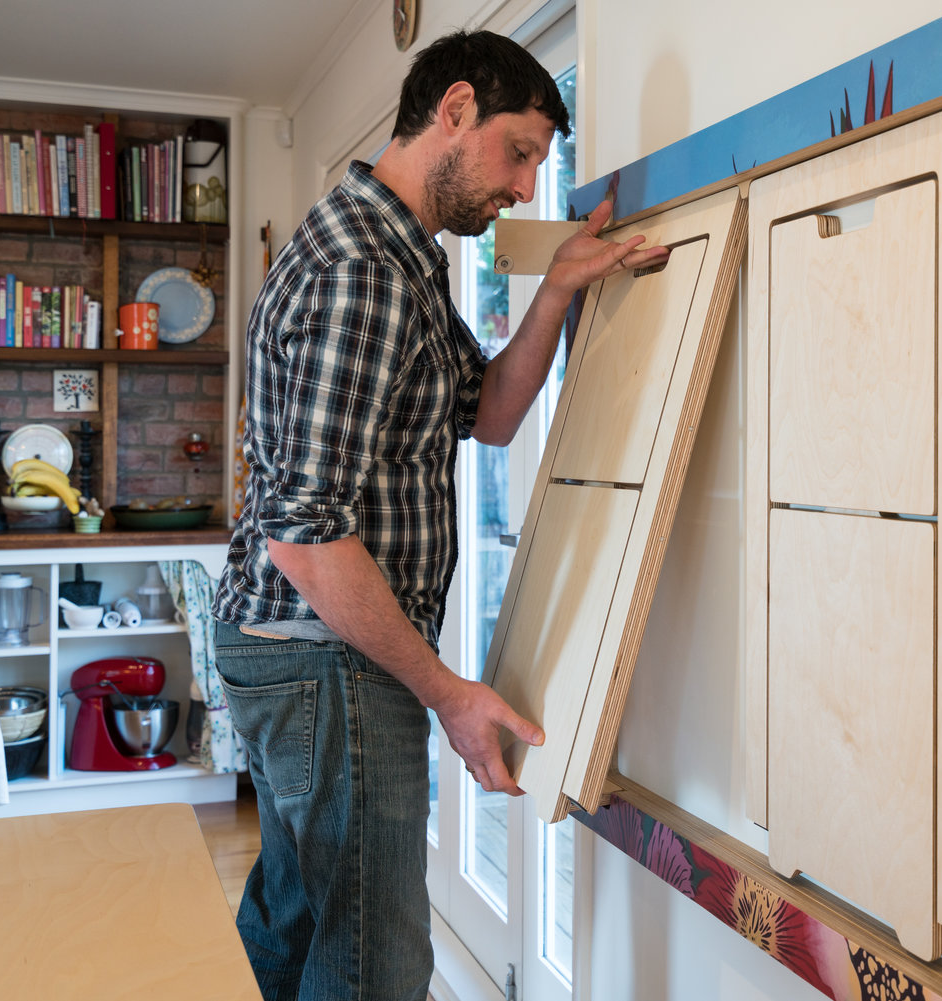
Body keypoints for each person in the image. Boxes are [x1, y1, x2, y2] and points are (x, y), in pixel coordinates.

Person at [211, 29, 667, 1001]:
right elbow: (304, 531)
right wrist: (451, 693)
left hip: (306, 653)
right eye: (518, 151)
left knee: (301, 920)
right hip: (323, 656)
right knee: (371, 959)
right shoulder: (362, 267)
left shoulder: (404, 256)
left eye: (542, 165)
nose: (524, 186)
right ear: (454, 108)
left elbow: (491, 411)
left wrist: (557, 290)